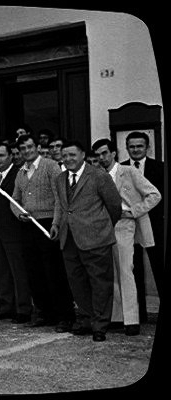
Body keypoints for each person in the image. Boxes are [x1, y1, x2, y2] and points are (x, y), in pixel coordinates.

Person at [53, 140, 122, 342]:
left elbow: (114, 206)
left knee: (100, 284)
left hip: (96, 240)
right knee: (77, 283)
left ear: (83, 155)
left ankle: (100, 326)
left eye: (72, 155)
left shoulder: (99, 176)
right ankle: (85, 320)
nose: (68, 159)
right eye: (64, 156)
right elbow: (62, 205)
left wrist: (100, 227)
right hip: (69, 240)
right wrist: (57, 224)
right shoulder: (60, 178)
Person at [92, 138, 160, 336]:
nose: (102, 158)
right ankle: (116, 317)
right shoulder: (96, 176)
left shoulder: (128, 172)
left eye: (105, 153)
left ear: (114, 153)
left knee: (125, 269)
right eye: (98, 155)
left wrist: (134, 211)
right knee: (109, 270)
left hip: (123, 224)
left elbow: (154, 194)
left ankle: (131, 320)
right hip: (103, 226)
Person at [10, 134, 76, 332]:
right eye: (23, 149)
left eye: (30, 147)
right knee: (34, 272)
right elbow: (14, 199)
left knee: (54, 271)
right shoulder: (21, 172)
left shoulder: (50, 166)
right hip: (28, 225)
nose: (27, 151)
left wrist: (56, 223)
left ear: (37, 147)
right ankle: (44, 313)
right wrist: (19, 213)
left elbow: (59, 197)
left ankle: (64, 316)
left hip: (48, 224)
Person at [120, 131, 164, 323]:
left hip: (155, 224)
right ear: (126, 148)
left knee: (159, 267)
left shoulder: (159, 168)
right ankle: (139, 315)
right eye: (132, 146)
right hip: (127, 226)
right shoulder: (120, 169)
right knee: (132, 268)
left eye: (139, 146)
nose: (136, 149)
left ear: (148, 147)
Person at [0, 141, 32, 323]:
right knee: (2, 272)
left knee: (18, 272)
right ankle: (6, 307)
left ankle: (23, 309)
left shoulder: (18, 175)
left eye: (1, 155)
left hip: (15, 232)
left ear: (10, 156)